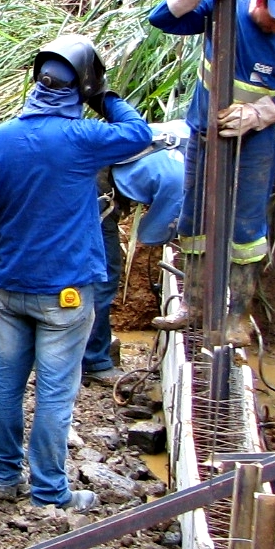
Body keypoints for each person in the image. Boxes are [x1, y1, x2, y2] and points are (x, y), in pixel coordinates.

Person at [0, 35, 154, 510]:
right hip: (65, 293)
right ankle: (49, 491)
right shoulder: (83, 139)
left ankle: (3, 477)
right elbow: (138, 133)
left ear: (36, 82)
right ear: (81, 88)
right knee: (54, 391)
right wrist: (103, 97)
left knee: (5, 383)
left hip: (11, 285)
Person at [147, 0, 275, 342]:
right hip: (205, 134)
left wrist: (258, 114)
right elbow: (161, 19)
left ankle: (238, 316)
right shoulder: (224, 12)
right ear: (261, 1)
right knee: (194, 217)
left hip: (254, 144)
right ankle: (193, 306)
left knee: (247, 229)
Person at [81, 123, 187, 386]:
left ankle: (62, 348)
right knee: (102, 278)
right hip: (94, 192)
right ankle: (93, 361)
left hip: (87, 174)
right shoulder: (180, 178)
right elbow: (151, 235)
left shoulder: (185, 130)